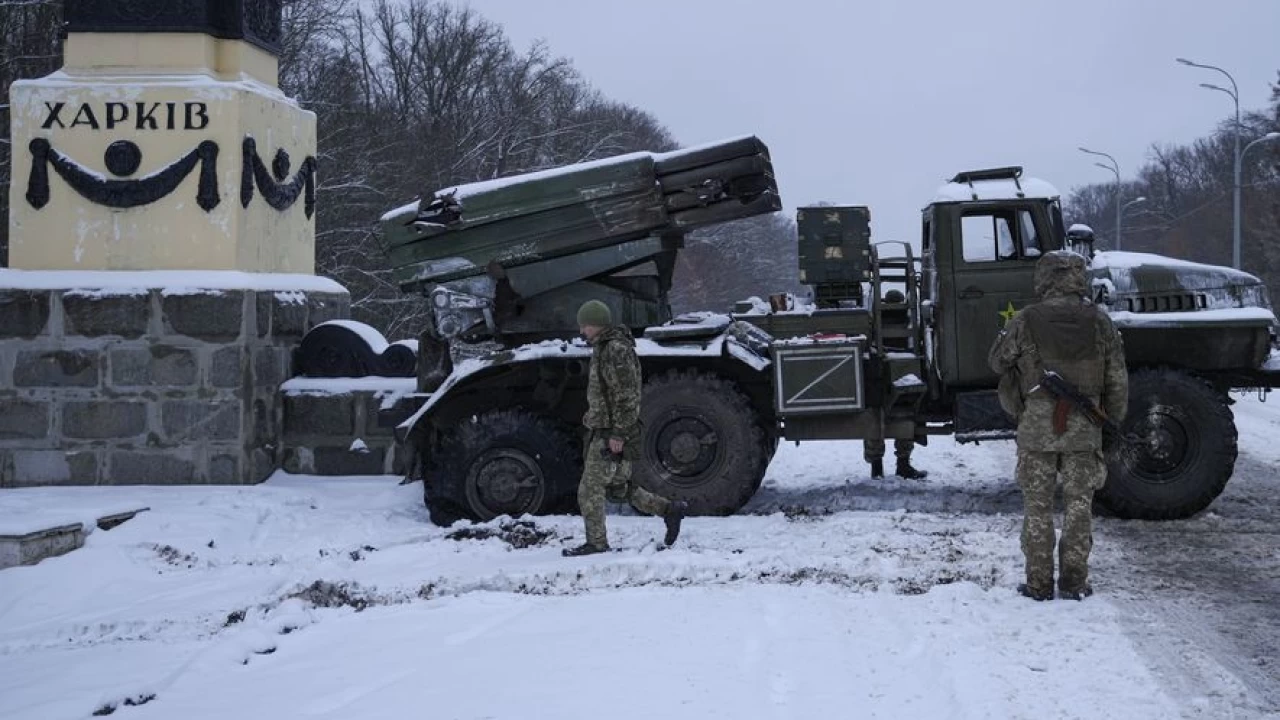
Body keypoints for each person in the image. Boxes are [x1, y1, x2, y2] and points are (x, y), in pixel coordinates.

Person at [987, 250, 1127, 601]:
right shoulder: (1101, 322)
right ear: (1079, 278)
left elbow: (996, 362)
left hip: (1036, 430)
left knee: (1038, 509)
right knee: (1080, 507)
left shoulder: (1024, 319)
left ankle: (1038, 585)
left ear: (1044, 277)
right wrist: (1111, 421)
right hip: (1084, 430)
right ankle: (1074, 583)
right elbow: (1117, 380)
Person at [562, 300, 687, 557]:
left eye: (585, 325)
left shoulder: (615, 350)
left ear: (596, 323)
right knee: (618, 488)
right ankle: (669, 509)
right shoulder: (604, 347)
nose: (582, 330)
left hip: (612, 432)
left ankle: (596, 543)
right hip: (604, 429)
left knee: (590, 489)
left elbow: (627, 395)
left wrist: (618, 433)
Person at [865, 288, 927, 480]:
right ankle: (903, 464)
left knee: (874, 419)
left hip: (878, 377)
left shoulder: (876, 322)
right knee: (906, 417)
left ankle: (876, 468)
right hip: (904, 371)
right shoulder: (909, 322)